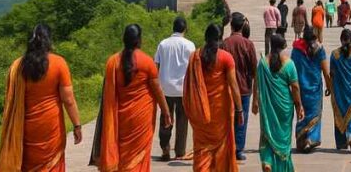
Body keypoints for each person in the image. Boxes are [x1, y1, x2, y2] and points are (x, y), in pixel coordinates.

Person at [0, 24, 82, 172]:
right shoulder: (59, 63)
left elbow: (11, 101)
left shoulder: (17, 66)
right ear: (49, 40)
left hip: (25, 129)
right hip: (50, 127)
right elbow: (68, 100)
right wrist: (77, 125)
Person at [90, 24, 173, 172]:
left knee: (123, 156)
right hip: (142, 120)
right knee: (139, 157)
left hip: (120, 119)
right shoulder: (147, 62)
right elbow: (157, 90)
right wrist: (166, 112)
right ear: (139, 40)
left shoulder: (113, 62)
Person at [183, 23, 241, 172]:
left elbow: (188, 88)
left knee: (202, 148)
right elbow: (234, 86)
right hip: (220, 114)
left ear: (205, 37)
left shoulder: (195, 57)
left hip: (200, 115)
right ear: (220, 38)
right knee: (221, 148)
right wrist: (240, 110)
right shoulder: (226, 58)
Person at [252, 33, 304, 172]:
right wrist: (299, 106)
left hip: (267, 106)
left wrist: (255, 101)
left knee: (267, 133)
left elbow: (256, 82)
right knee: (283, 138)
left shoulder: (262, 63)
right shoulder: (289, 64)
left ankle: (268, 161)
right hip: (284, 107)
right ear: (284, 46)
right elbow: (295, 88)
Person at [154, 17, 196, 161]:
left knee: (166, 117)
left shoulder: (163, 44)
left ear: (173, 28)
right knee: (182, 120)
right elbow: (193, 68)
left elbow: (156, 66)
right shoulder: (190, 45)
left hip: (165, 88)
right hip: (183, 89)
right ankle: (180, 151)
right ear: (185, 29)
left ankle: (165, 149)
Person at [221, 13, 256, 162]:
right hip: (243, 88)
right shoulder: (248, 44)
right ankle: (238, 150)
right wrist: (256, 94)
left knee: (228, 120)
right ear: (243, 26)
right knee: (241, 121)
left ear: (231, 26)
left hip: (227, 89)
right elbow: (254, 70)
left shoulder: (224, 43)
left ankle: (227, 147)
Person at [291, 26, 330, 153]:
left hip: (300, 89)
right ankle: (310, 139)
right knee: (314, 115)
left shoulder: (296, 50)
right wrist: (329, 86)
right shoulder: (319, 50)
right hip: (314, 90)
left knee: (301, 114)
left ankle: (302, 141)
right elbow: (326, 72)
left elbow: (292, 70)